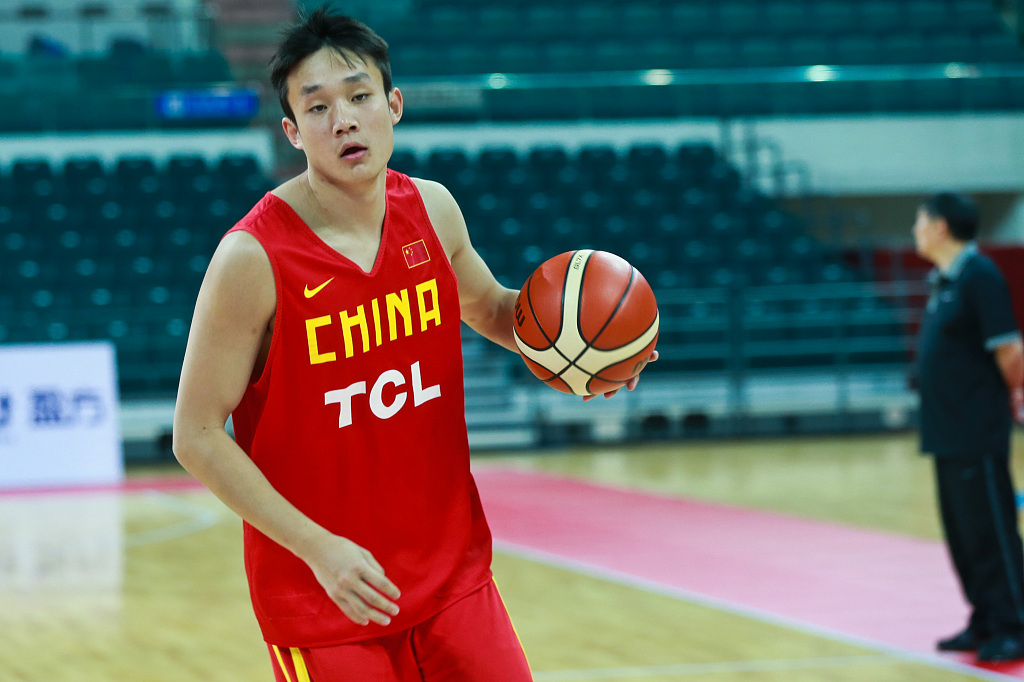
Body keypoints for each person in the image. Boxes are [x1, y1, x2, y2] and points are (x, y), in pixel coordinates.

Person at [172, 7, 655, 681]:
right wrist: (318, 548)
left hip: (452, 575)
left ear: (393, 105)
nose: (343, 120)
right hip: (326, 595)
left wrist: (591, 352)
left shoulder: (432, 209)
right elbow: (196, 435)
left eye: (359, 96)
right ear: (292, 131)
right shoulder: (251, 259)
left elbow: (493, 308)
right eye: (317, 107)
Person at [913, 191, 1024, 662]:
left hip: (976, 430)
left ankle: (1013, 624)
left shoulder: (980, 276)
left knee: (991, 531)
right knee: (963, 535)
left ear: (941, 227)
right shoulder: (944, 281)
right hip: (946, 432)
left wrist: (1015, 392)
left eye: (920, 222)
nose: (915, 231)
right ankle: (984, 619)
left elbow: (1009, 349)